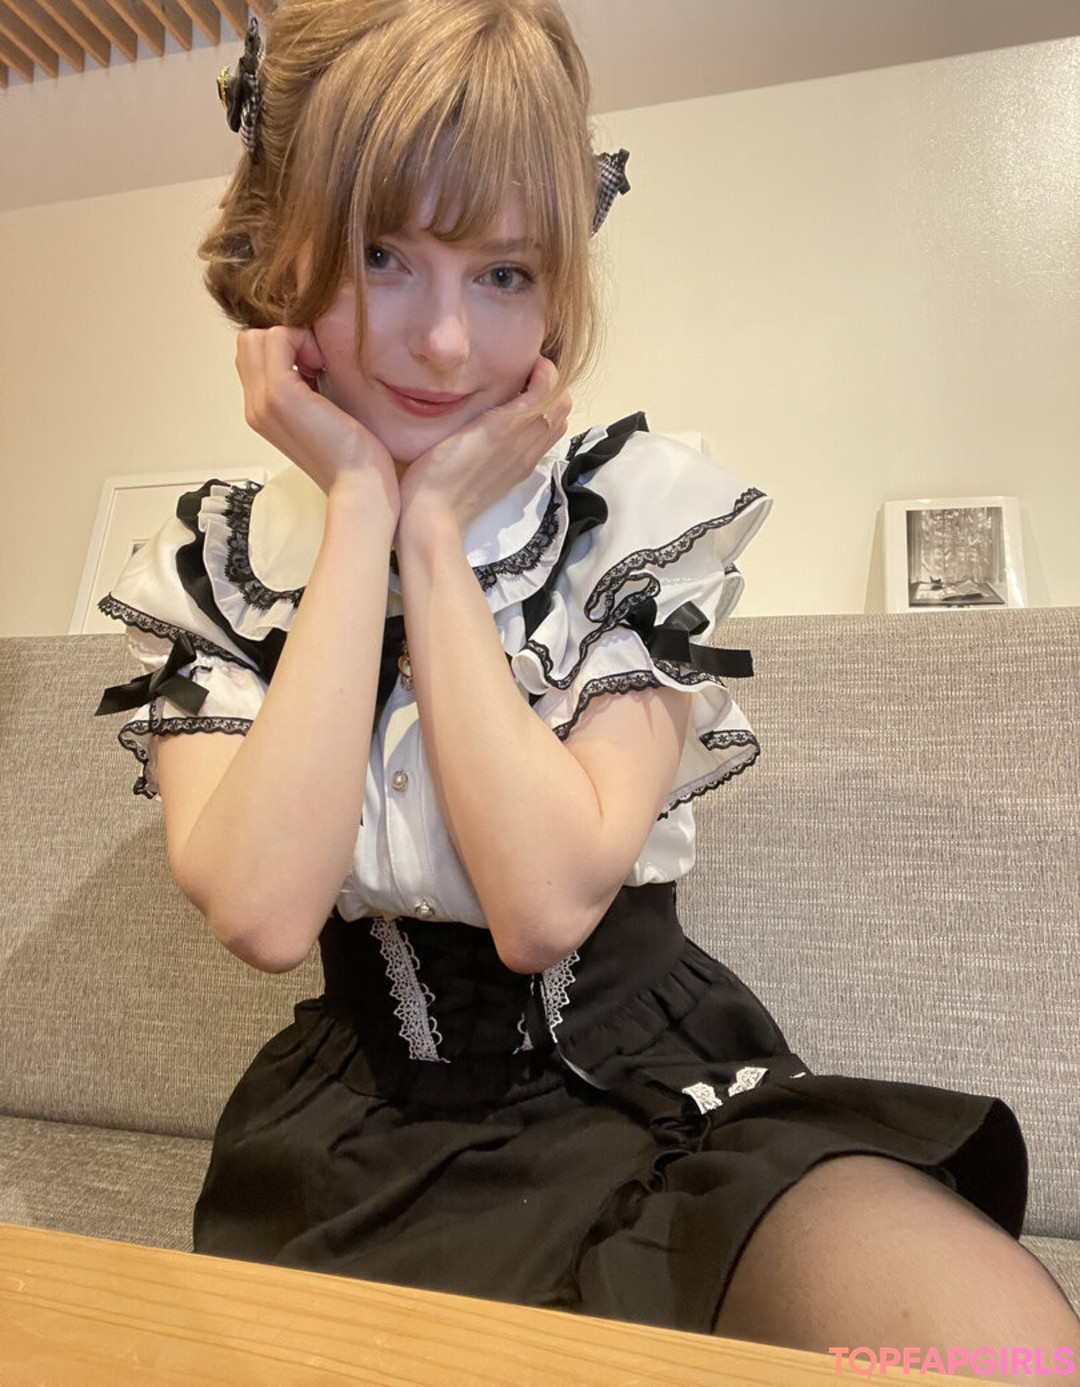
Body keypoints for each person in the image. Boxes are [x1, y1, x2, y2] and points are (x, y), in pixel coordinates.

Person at [96, 0, 1078, 1370]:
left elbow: (548, 903)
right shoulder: (216, 566)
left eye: (504, 272)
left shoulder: (634, 520)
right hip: (357, 1142)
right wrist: (364, 512)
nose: (449, 342)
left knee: (989, 1345)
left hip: (668, 1096)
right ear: (283, 247)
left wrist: (437, 542)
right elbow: (264, 911)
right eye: (384, 255)